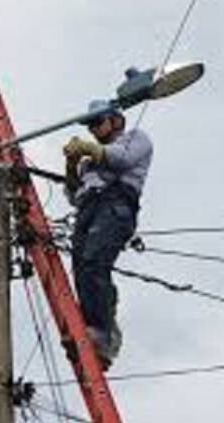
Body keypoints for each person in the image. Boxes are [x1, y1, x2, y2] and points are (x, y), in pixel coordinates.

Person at [63, 99, 153, 370]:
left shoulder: (135, 139)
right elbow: (74, 195)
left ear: (115, 119)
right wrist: (72, 164)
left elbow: (121, 160)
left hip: (115, 207)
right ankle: (91, 329)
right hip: (90, 209)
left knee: (94, 262)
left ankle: (105, 333)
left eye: (97, 122)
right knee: (80, 268)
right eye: (90, 126)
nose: (93, 129)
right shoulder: (89, 163)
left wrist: (90, 148)